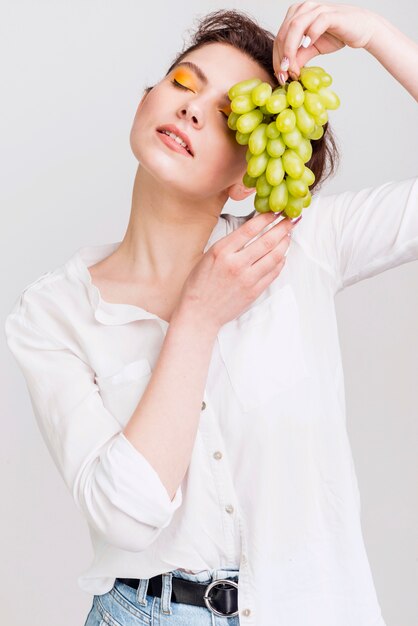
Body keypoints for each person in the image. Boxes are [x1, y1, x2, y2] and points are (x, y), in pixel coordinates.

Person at [4, 4, 418, 625]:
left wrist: (379, 37)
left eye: (230, 115)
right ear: (143, 102)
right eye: (182, 84)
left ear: (246, 177)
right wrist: (197, 319)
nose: (192, 109)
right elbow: (124, 514)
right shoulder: (52, 312)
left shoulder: (299, 246)